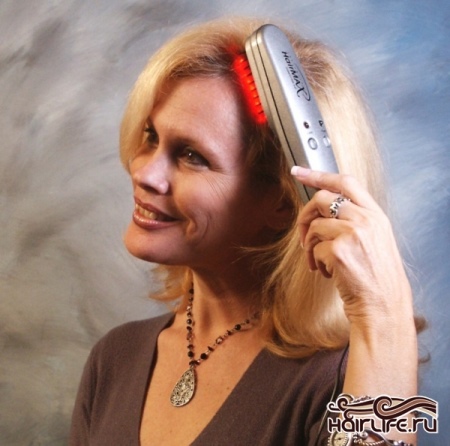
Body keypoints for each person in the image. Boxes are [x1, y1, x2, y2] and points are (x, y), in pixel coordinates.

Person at [70, 16, 420, 446]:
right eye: (150, 136)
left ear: (283, 200)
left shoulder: (343, 381)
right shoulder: (114, 360)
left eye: (191, 156)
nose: (144, 173)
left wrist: (386, 317)